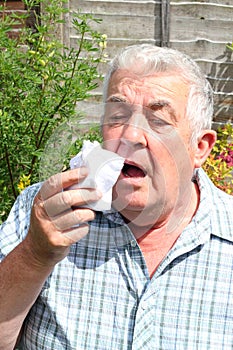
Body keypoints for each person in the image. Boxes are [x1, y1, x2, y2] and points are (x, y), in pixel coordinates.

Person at [0, 44, 233, 350]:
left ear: (199, 147)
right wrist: (34, 255)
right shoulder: (44, 211)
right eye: (118, 114)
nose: (131, 135)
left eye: (158, 121)